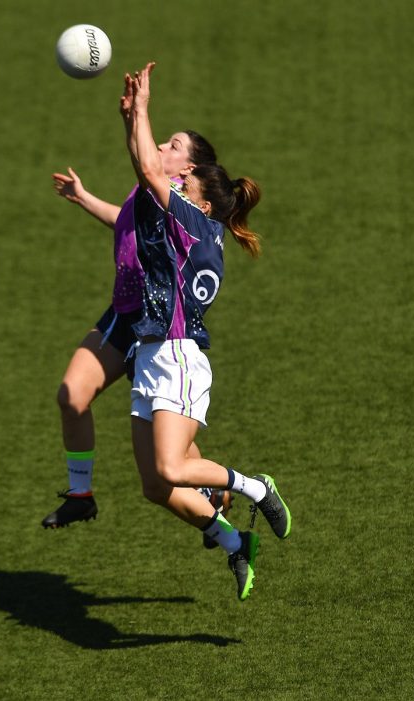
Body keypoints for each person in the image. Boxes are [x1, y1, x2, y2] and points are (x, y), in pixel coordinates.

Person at [121, 62, 292, 601]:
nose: (173, 174)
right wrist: (132, 121)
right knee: (156, 485)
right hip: (151, 355)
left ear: (198, 196)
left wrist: (144, 109)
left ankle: (256, 487)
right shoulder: (190, 221)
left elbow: (150, 171)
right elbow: (146, 169)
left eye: (184, 173)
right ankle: (233, 540)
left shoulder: (197, 224)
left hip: (177, 357)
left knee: (173, 466)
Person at [41, 102, 220, 530]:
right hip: (124, 316)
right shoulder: (150, 190)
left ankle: (218, 496)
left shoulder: (173, 198)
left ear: (188, 166)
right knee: (71, 396)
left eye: (172, 144)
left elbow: (145, 165)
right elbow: (125, 222)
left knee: (168, 456)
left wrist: (139, 111)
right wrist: (85, 198)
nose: (161, 146)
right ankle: (81, 495)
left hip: (156, 324)